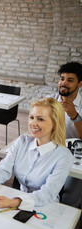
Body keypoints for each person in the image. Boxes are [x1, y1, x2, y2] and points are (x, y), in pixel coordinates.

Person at [0, 98, 73, 210]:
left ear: (55, 123)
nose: (33, 123)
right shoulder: (22, 141)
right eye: (32, 117)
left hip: (46, 207)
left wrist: (14, 202)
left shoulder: (64, 156)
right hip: (19, 201)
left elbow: (47, 193)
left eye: (40, 119)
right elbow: (3, 169)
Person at [49, 62, 82, 209]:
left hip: (77, 157)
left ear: (79, 84)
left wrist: (75, 115)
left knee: (68, 200)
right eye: (62, 78)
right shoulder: (50, 100)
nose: (64, 83)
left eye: (70, 80)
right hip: (52, 151)